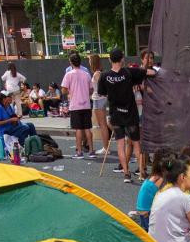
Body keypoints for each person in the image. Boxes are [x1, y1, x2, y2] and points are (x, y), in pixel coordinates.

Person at [99, 48, 153, 183]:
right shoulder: (129, 72)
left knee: (120, 144)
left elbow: (102, 93)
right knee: (136, 143)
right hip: (130, 113)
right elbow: (149, 72)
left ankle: (126, 173)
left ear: (110, 59)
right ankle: (141, 172)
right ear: (122, 59)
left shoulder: (104, 76)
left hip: (116, 114)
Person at [61, 52, 93, 159]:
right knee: (88, 128)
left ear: (71, 62)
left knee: (78, 129)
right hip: (86, 104)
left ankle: (79, 151)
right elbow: (91, 89)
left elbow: (64, 90)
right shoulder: (86, 74)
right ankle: (91, 150)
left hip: (75, 105)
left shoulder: (69, 74)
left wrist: (70, 91)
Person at [88, 54, 110, 156]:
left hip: (98, 99)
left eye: (89, 60)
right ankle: (105, 147)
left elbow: (103, 87)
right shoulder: (99, 73)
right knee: (103, 124)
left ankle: (106, 148)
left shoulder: (97, 74)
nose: (88, 62)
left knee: (102, 125)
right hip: (100, 99)